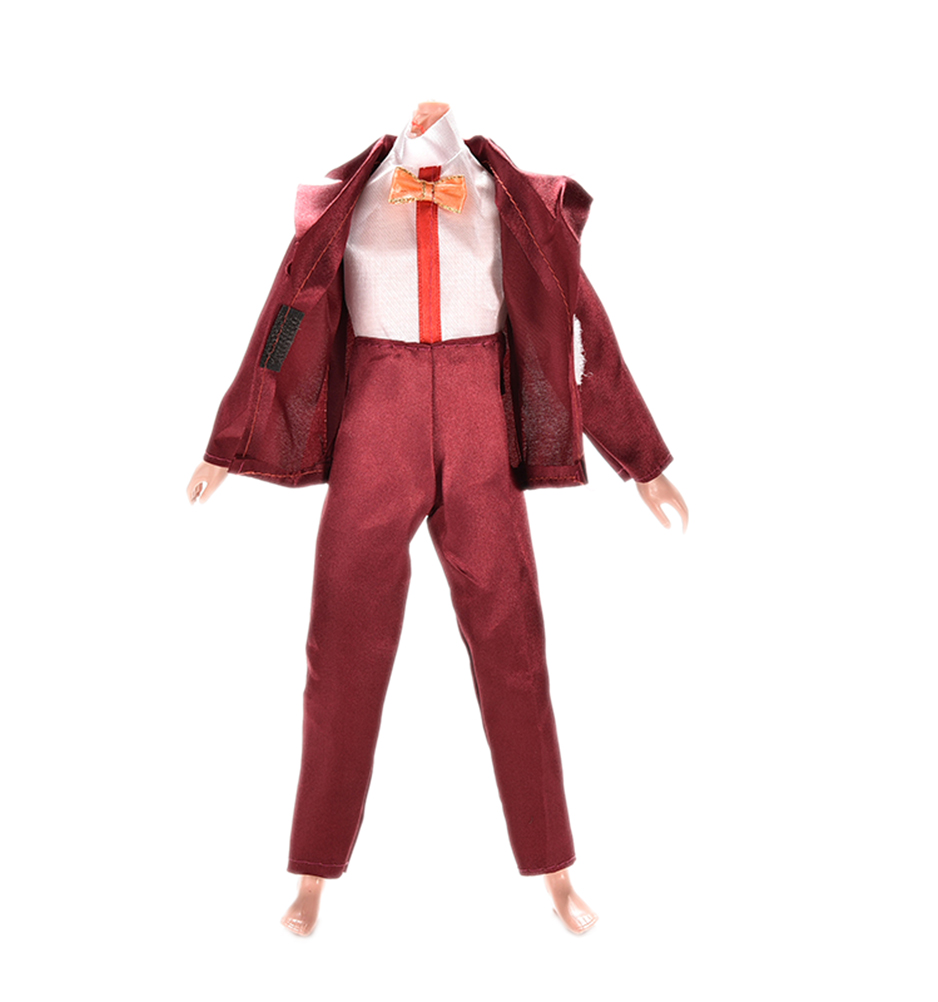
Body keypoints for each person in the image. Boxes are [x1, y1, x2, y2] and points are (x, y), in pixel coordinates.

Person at [187, 102, 688, 936]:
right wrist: (229, 438)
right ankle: (311, 874)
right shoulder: (353, 203)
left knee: (514, 649)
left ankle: (556, 872)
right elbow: (285, 321)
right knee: (340, 646)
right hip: (375, 422)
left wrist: (644, 459)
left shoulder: (508, 201)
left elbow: (578, 325)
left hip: (478, 417)